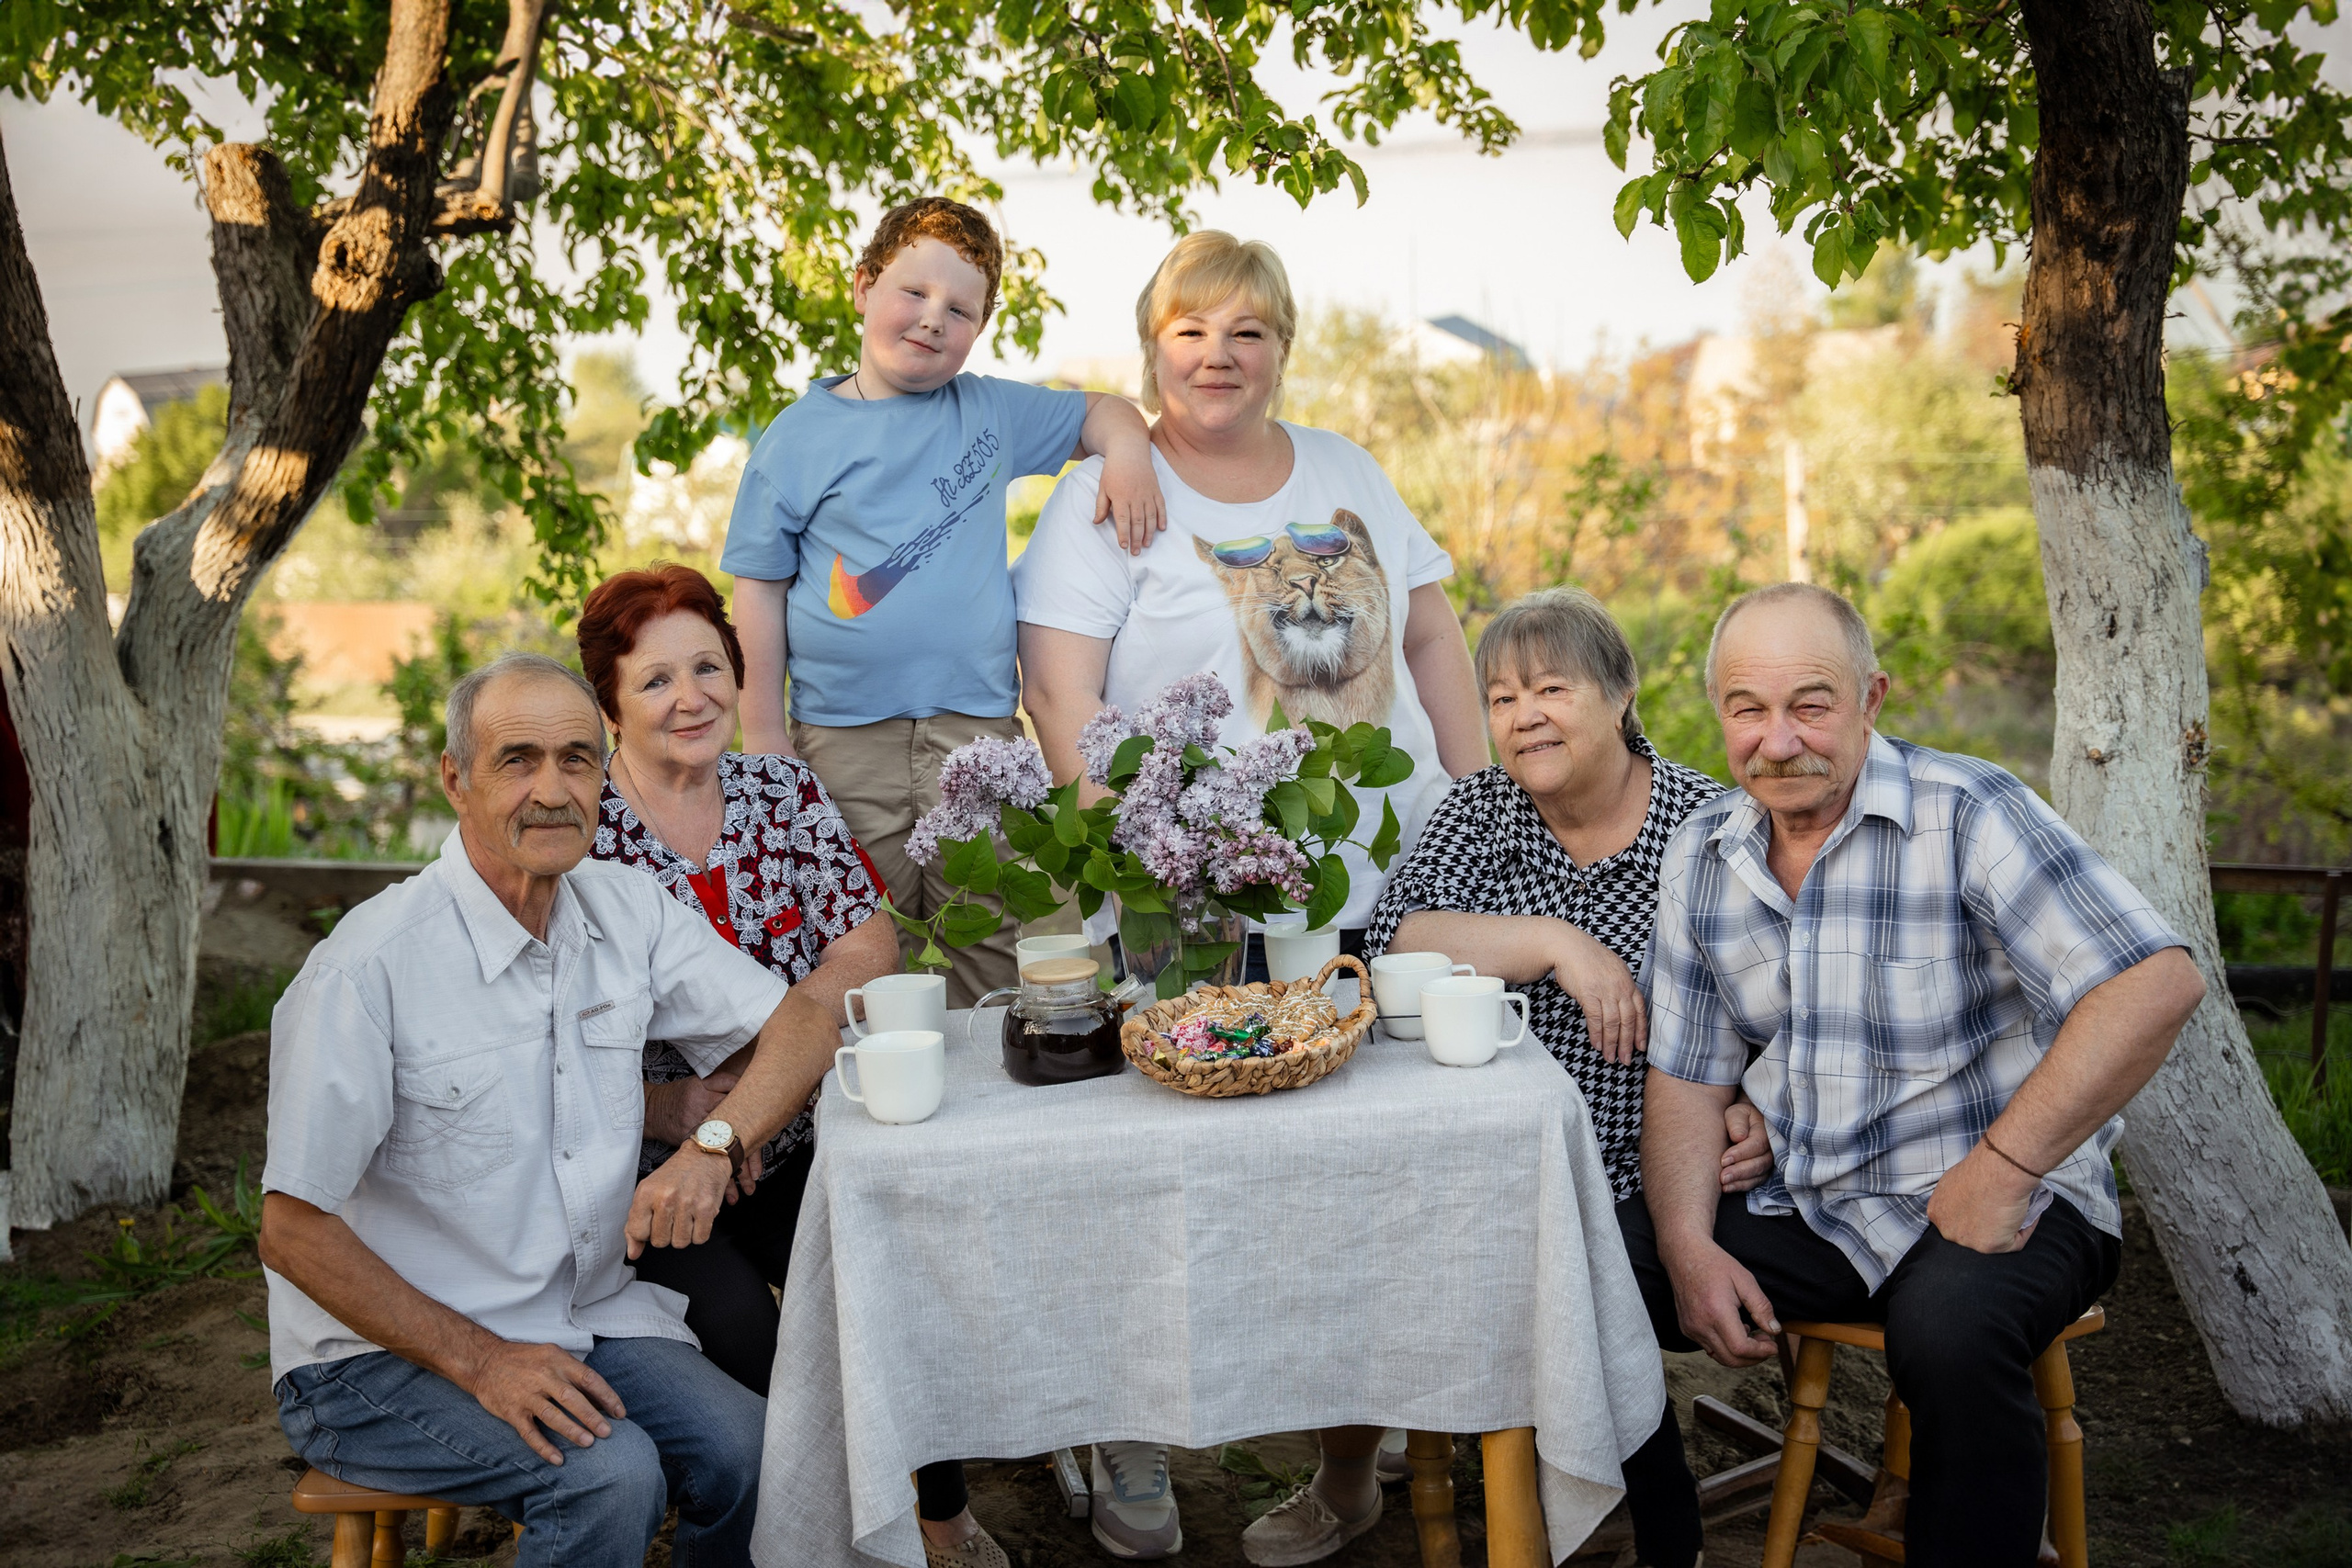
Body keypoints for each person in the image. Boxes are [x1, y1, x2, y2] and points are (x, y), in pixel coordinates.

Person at [1013, 231, 1486, 1566]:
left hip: (1378, 880)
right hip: (1181, 895)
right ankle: (1131, 1435)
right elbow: (1058, 690)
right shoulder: (1105, 492)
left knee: (1359, 1171)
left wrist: (1478, 799)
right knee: (1149, 1168)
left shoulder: (1344, 468)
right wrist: (1136, 858)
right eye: (1191, 330)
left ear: (1283, 349)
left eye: (1248, 332)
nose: (1218, 356)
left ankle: (1348, 1464)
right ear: (1151, 346)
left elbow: (1431, 630)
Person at [1630, 583, 2208, 1568]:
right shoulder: (1704, 851)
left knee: (1949, 1327)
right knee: (1600, 1262)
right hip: (1816, 1197)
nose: (1778, 741)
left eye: (1810, 704)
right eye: (1747, 708)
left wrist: (2004, 1166)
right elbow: (1686, 1075)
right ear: (1718, 710)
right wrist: (1686, 1247)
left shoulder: (1966, 811)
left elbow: (2154, 983)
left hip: (2000, 1194)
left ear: (1871, 698)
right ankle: (1660, 1542)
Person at [260, 652, 843, 1568]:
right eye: (517, 760)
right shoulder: (366, 970)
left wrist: (714, 1143)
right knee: (610, 1475)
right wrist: (483, 1362)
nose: (552, 790)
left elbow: (804, 1023)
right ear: (455, 779)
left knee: (753, 1452)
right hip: (374, 1358)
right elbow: (291, 1230)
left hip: (575, 1314)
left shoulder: (623, 908)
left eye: (576, 759)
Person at [575, 567, 1005, 1568]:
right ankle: (826, 1523)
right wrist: (675, 1107)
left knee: (892, 1281)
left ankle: (940, 1511)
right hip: (648, 1167)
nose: (691, 697)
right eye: (655, 680)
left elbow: (866, 949)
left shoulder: (782, 791)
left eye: (708, 667)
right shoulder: (585, 834)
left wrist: (770, 1084)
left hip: (802, 1129)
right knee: (747, 1328)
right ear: (609, 703)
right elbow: (550, 1045)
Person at [1363, 587, 1770, 1568]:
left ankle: (1655, 1524)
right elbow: (1396, 939)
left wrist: (1763, 1100)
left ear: (1621, 695)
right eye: (1501, 699)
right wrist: (1555, 941)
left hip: (1655, 1162)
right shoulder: (1483, 807)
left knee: (1574, 1262)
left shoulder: (1705, 824)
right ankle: (1573, 1497)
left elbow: (1783, 988)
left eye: (1550, 688)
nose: (1523, 716)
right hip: (1498, 1159)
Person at [725, 197, 1166, 1009]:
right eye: (914, 292)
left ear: (981, 327)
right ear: (863, 286)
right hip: (843, 741)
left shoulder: (989, 411)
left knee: (1005, 933)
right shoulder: (796, 437)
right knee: (865, 943)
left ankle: (1003, 1080)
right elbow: (757, 588)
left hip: (978, 737)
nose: (934, 318)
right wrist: (763, 731)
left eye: (960, 309)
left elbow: (1105, 412)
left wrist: (1130, 452)